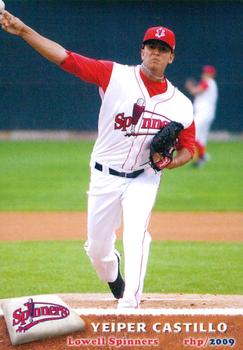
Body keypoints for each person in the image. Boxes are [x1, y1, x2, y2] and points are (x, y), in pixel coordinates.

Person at [0, 11, 195, 308]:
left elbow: (188, 148)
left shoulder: (181, 105)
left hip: (144, 176)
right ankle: (113, 274)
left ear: (171, 57)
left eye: (163, 49)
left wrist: (170, 161)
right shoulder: (114, 75)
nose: (156, 53)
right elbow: (64, 58)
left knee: (136, 235)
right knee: (97, 251)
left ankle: (129, 304)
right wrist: (24, 30)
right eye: (151, 47)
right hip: (105, 175)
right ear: (142, 50)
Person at [185, 65, 218, 167]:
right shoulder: (212, 84)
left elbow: (195, 91)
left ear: (212, 74)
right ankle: (202, 158)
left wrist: (190, 87)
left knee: (192, 133)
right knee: (201, 137)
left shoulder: (208, 82)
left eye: (207, 73)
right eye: (204, 72)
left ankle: (202, 155)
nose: (204, 74)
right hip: (207, 113)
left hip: (203, 113)